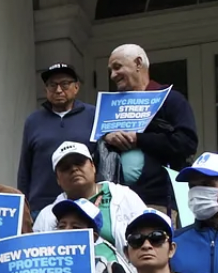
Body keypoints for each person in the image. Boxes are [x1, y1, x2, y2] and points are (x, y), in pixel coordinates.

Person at [102, 44, 198, 212]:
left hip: (159, 200)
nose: (113, 75)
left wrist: (139, 139)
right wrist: (107, 138)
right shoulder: (113, 107)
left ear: (138, 63)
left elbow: (187, 143)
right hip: (118, 203)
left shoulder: (170, 98)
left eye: (117, 67)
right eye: (111, 70)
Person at [32, 141, 146, 260]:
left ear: (93, 166)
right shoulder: (46, 216)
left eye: (79, 162)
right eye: (65, 167)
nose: (74, 169)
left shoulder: (125, 197)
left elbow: (148, 239)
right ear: (57, 179)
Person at [18, 63, 96, 214]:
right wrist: (24, 205)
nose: (59, 90)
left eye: (65, 84)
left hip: (87, 203)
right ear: (46, 90)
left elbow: (103, 159)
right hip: (41, 206)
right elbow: (25, 169)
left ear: (76, 87)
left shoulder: (93, 115)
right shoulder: (33, 121)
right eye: (52, 85)